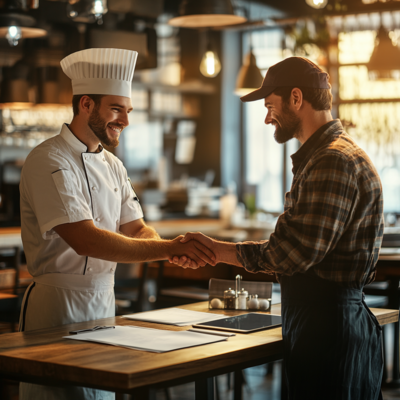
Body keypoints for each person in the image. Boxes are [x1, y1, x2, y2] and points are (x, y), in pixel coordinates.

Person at [173, 57, 384, 400]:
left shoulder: (331, 159)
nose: (267, 116)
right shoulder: (330, 156)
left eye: (271, 105)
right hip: (325, 323)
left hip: (328, 329)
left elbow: (293, 254)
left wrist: (217, 251)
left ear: (297, 99)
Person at [18, 48, 215, 400]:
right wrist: (168, 247)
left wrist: (166, 251)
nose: (124, 120)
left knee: (100, 394)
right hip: (57, 306)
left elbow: (138, 229)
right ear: (86, 106)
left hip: (103, 304)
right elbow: (87, 240)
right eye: (115, 109)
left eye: (128, 111)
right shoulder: (48, 160)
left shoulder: (112, 165)